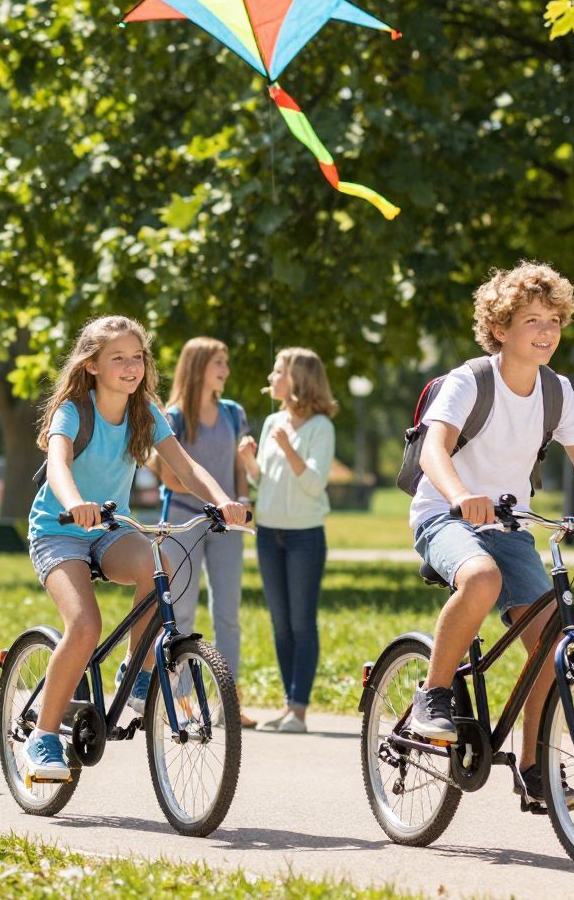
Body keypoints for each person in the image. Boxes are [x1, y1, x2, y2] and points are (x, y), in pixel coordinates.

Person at [407, 261, 574, 809]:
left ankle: (534, 766)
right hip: (443, 513)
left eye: (554, 320)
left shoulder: (557, 391)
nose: (546, 332)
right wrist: (458, 497)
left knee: (549, 642)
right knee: (481, 578)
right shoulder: (471, 381)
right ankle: (434, 695)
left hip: (511, 523)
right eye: (531, 320)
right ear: (500, 329)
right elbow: (433, 451)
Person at [19, 315, 247, 782]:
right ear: (93, 366)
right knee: (84, 624)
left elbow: (185, 468)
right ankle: (42, 738)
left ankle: (136, 670)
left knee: (157, 564)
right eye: (117, 358)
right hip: (58, 529)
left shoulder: (145, 411)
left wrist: (222, 502)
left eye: (136, 357)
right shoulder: (73, 411)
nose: (129, 367)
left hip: (109, 530)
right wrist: (74, 503)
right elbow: (59, 464)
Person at [150, 337, 256, 728]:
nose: (225, 369)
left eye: (226, 361)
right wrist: (213, 499)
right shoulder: (172, 417)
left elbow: (238, 467)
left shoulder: (233, 412)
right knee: (181, 611)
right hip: (183, 521)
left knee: (227, 613)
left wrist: (240, 500)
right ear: (197, 367)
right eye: (218, 362)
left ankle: (228, 698)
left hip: (226, 524)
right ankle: (178, 701)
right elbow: (169, 477)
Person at [239, 347, 337, 734]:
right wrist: (249, 462)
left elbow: (314, 484)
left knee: (301, 622)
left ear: (298, 379)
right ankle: (287, 706)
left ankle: (299, 709)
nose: (271, 377)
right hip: (268, 532)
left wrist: (288, 448)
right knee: (280, 624)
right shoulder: (273, 421)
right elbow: (262, 481)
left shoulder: (321, 427)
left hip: (304, 535)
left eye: (278, 371)